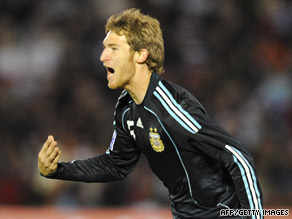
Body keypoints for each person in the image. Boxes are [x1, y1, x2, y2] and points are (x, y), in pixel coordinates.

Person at [38, 8, 263, 219]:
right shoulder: (126, 108)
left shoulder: (171, 108)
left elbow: (237, 156)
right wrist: (58, 170)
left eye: (113, 48)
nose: (102, 57)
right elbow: (115, 164)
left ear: (141, 55)